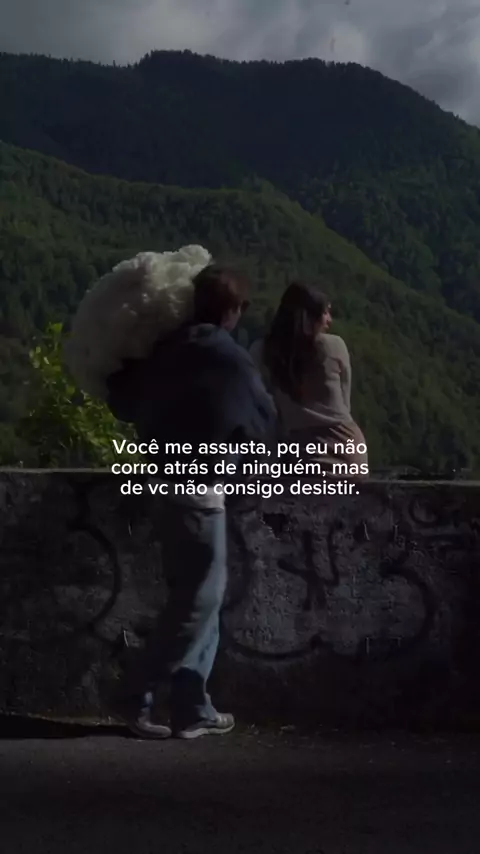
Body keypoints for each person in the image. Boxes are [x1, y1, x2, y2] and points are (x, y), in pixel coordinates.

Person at [107, 265, 277, 739]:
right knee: (196, 605)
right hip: (199, 495)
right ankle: (135, 692)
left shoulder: (164, 350)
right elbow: (262, 421)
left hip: (160, 486)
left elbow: (123, 400)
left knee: (202, 598)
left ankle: (191, 707)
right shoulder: (230, 358)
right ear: (233, 309)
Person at [250, 281, 368, 473]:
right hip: (345, 445)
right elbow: (345, 404)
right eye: (325, 313)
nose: (329, 320)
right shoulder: (335, 346)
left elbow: (263, 410)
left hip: (296, 448)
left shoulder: (261, 351)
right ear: (307, 317)